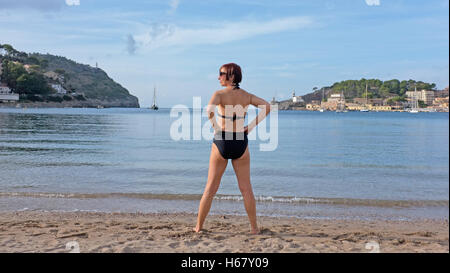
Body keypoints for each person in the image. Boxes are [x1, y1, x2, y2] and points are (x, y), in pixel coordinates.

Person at [194, 63, 272, 234]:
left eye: (221, 74)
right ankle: (254, 228)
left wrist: (215, 127)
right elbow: (267, 106)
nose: (218, 77)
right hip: (240, 140)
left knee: (210, 188)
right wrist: (250, 127)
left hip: (222, 139)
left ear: (231, 76)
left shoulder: (219, 94)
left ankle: (199, 227)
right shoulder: (247, 96)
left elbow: (208, 111)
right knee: (246, 189)